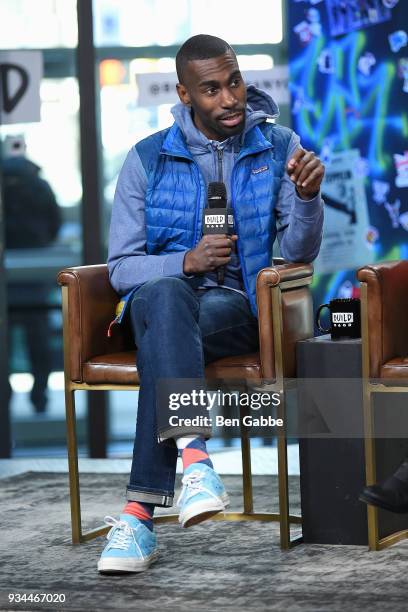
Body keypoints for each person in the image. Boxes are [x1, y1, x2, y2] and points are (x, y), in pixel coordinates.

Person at [99, 34, 325, 574]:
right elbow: (121, 268)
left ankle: (141, 512)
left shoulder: (278, 148)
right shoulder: (147, 159)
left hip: (236, 310)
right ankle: (195, 456)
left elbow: (296, 254)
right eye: (211, 89)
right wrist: (187, 262)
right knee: (165, 295)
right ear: (184, 93)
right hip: (158, 307)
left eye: (235, 82)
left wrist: (310, 200)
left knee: (167, 340)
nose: (229, 99)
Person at [2, 135, 61, 413]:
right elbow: (54, 223)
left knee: (5, 341)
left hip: (6, 274)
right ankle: (40, 396)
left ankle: (6, 397)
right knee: (37, 337)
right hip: (35, 273)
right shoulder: (39, 184)